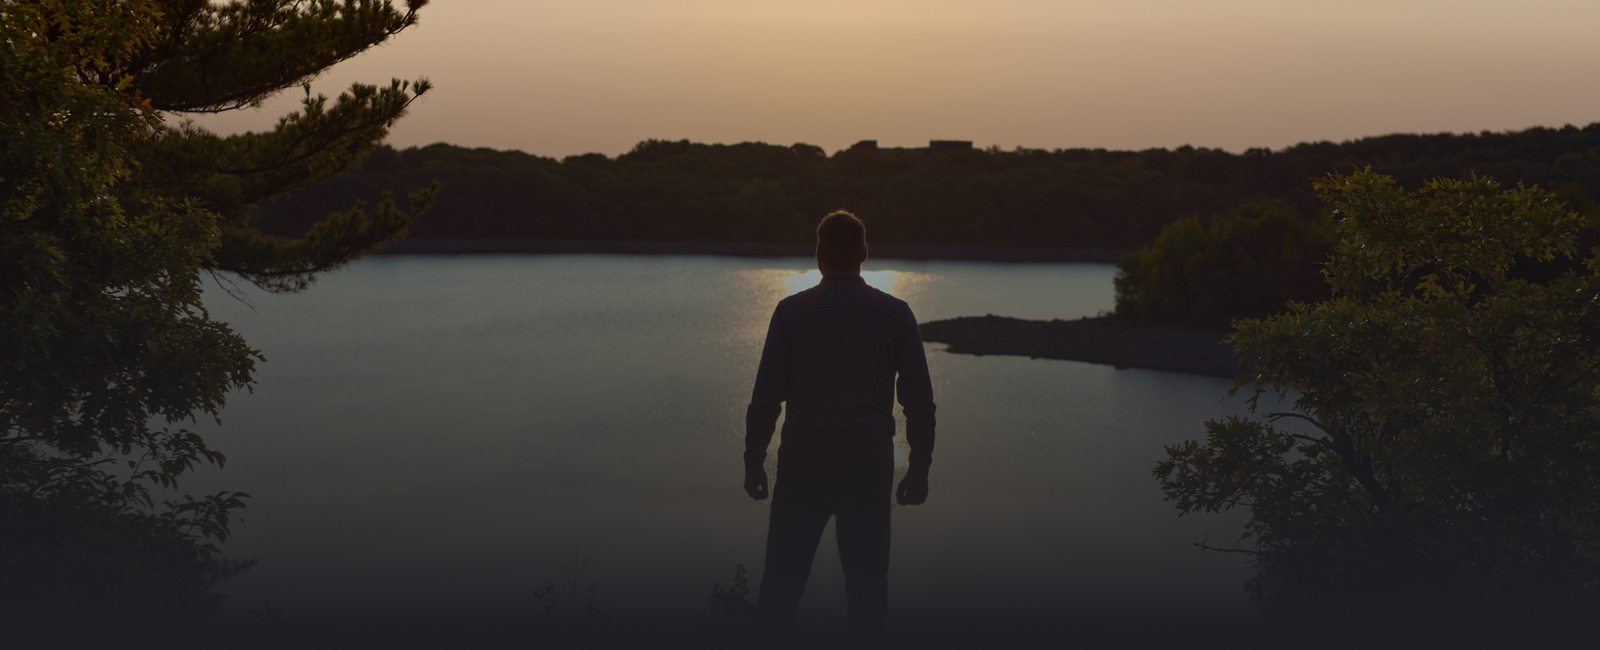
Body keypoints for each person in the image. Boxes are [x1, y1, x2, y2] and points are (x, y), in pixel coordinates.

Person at [744, 210, 936, 630]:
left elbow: (766, 398)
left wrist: (754, 459)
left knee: (781, 587)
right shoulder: (897, 314)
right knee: (867, 590)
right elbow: (919, 403)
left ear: (818, 255)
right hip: (867, 466)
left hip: (803, 465)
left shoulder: (790, 313)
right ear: (865, 254)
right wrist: (919, 469)